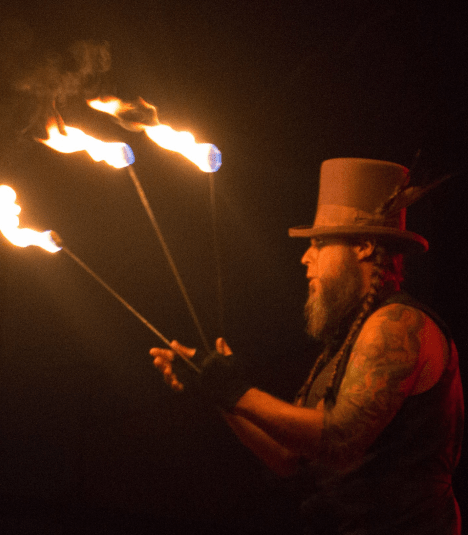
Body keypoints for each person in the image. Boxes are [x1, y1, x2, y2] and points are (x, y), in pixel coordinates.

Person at [150, 158, 464, 534]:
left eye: (318, 244)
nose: (305, 258)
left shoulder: (398, 323)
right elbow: (288, 458)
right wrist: (216, 392)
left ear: (364, 246)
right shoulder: (349, 340)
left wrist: (236, 390)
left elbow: (340, 439)